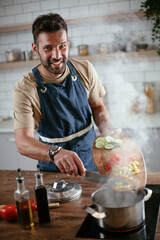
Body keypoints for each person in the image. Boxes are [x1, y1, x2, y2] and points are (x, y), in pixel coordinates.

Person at [13, 13, 118, 177]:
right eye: (48, 48)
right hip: (53, 170)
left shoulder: (85, 69)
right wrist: (56, 152)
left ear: (68, 44)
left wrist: (108, 131)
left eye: (62, 46)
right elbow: (23, 143)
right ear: (35, 49)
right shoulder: (25, 89)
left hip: (92, 160)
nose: (57, 56)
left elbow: (97, 107)